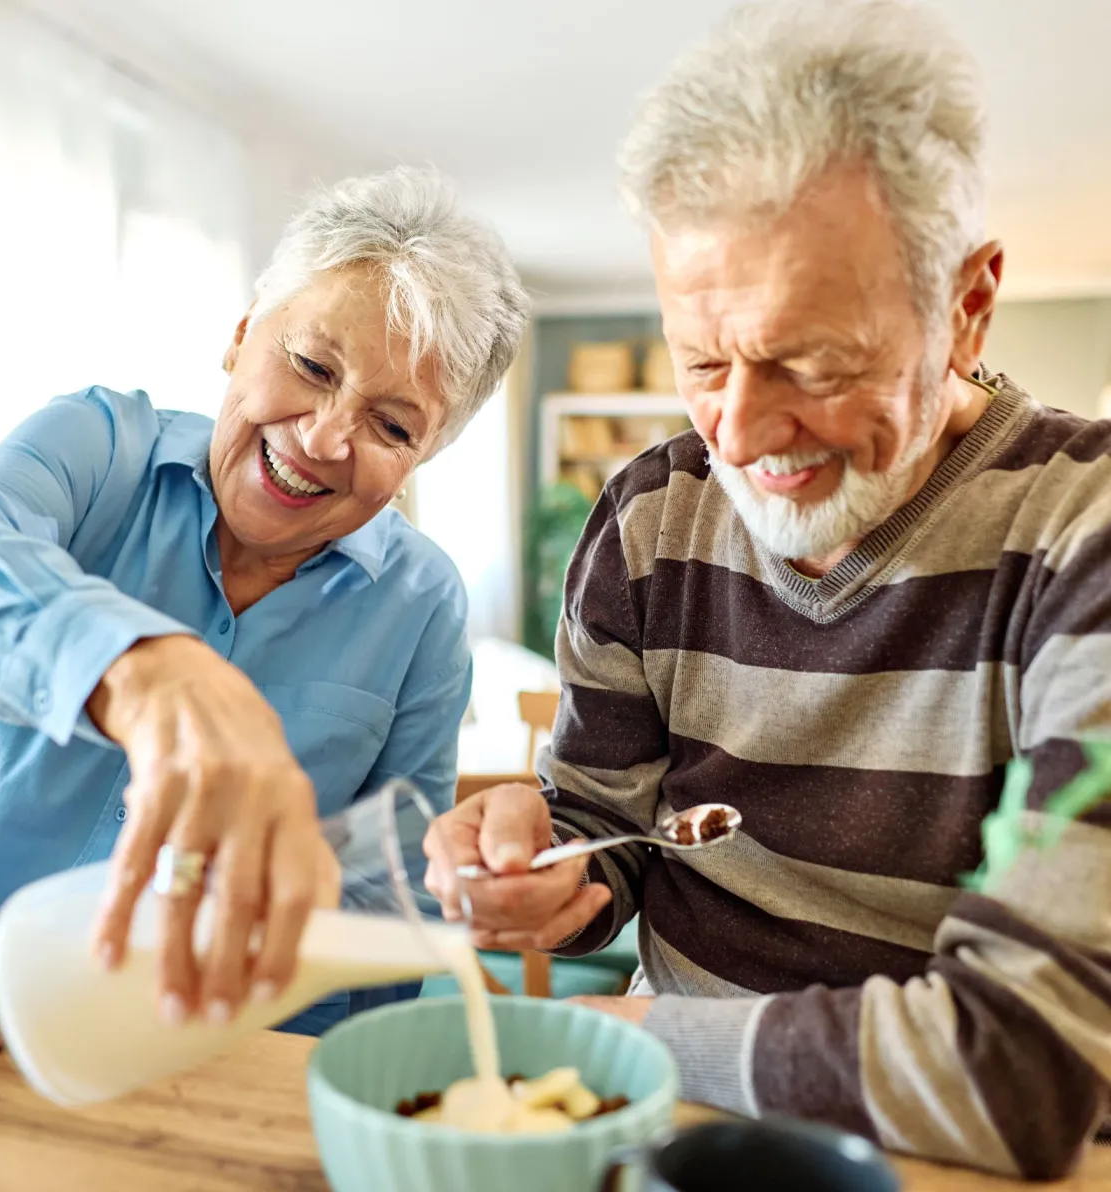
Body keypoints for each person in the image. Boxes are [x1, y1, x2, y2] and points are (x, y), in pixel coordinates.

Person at [425, 0, 1110, 1178]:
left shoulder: (1080, 534)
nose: (736, 435)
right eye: (701, 360)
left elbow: (1020, 1063)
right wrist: (545, 874)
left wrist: (624, 1041)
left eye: (811, 361)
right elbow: (605, 832)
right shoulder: (649, 518)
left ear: (964, 307)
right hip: (670, 1137)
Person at [0, 166, 529, 1064]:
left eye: (392, 427)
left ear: (427, 454)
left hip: (207, 1058)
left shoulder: (424, 606)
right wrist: (136, 669)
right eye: (312, 367)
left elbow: (389, 904)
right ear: (243, 333)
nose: (324, 438)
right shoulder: (97, 449)